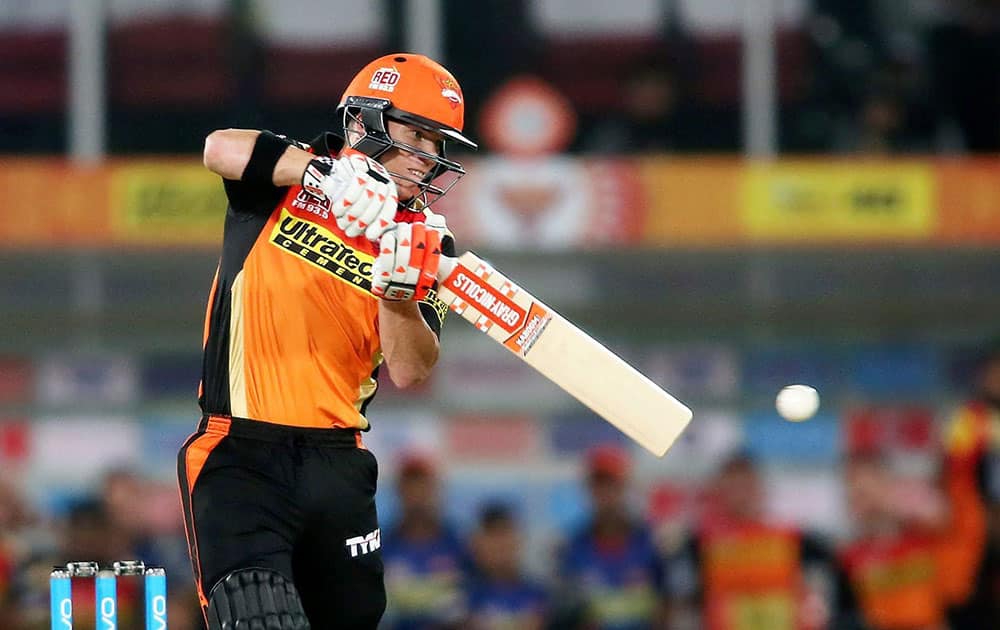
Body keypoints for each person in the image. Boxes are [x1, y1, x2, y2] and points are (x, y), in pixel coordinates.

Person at [176, 53, 476, 629]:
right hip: (241, 452)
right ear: (366, 121)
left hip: (339, 464)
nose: (431, 159)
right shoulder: (290, 177)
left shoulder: (427, 241)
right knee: (258, 618)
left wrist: (398, 293)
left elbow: (412, 370)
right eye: (419, 135)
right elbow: (218, 147)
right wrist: (322, 174)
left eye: (440, 145)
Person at [663, 454, 836, 630]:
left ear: (760, 487)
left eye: (746, 484)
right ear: (719, 490)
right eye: (733, 485)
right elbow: (682, 598)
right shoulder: (702, 541)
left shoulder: (790, 536)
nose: (740, 494)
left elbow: (824, 585)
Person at [555, 445, 666, 630]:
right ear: (589, 490)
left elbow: (668, 605)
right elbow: (564, 614)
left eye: (611, 485)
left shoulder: (651, 543)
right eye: (598, 486)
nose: (605, 494)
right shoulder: (572, 549)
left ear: (625, 487)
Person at [380, 453, 466, 630]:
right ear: (399, 491)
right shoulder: (381, 545)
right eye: (410, 486)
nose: (416, 494)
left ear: (434, 490)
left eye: (422, 485)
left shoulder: (458, 544)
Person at [464, 501, 547, 630]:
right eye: (491, 535)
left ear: (518, 540)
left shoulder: (541, 594)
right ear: (475, 543)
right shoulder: (463, 596)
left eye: (504, 534)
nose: (498, 545)